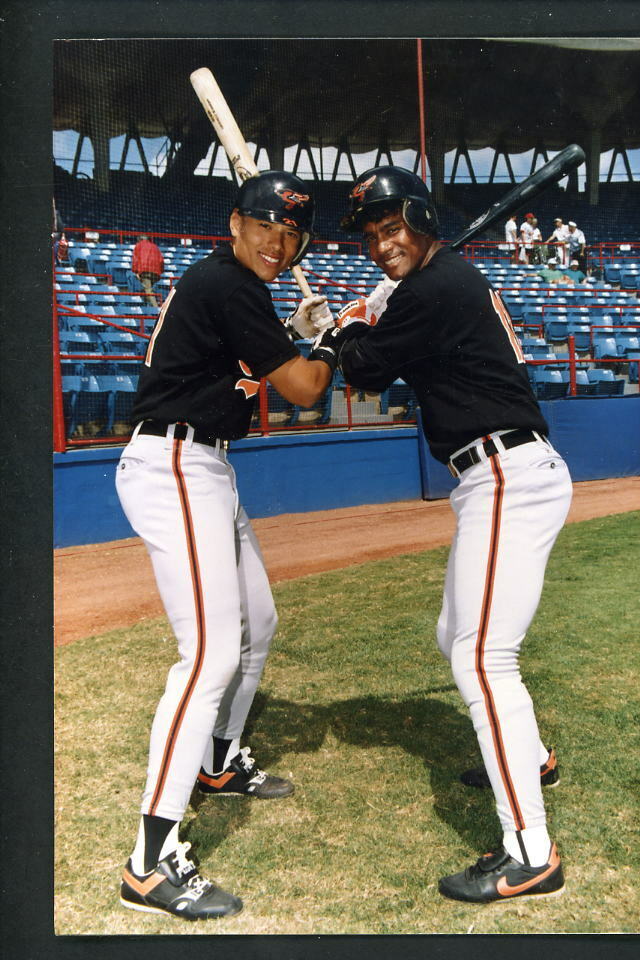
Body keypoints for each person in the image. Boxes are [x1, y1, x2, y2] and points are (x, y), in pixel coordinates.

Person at [315, 166, 573, 904]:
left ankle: (530, 851)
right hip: (494, 473)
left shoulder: (436, 288)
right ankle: (531, 757)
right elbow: (380, 352)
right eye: (370, 235)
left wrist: (343, 327)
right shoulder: (436, 284)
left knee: (481, 657)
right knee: (453, 634)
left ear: (423, 221)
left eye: (392, 227)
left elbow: (361, 371)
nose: (380, 243)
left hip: (506, 474)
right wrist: (366, 317)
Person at [115, 170, 338, 921]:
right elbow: (307, 389)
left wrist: (307, 333)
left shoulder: (241, 289)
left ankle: (217, 759)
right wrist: (334, 336)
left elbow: (282, 364)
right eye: (265, 225)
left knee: (257, 624)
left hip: (205, 463)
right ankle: (149, 862)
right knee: (209, 653)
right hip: (174, 460)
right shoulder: (227, 284)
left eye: (292, 232)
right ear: (234, 224)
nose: (279, 242)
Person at [131, 235, 165, 307]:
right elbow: (161, 260)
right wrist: (160, 271)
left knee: (148, 290)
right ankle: (146, 307)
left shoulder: (139, 245)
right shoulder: (155, 247)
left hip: (145, 271)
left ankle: (156, 308)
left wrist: (135, 271)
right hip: (155, 272)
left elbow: (135, 259)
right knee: (146, 289)